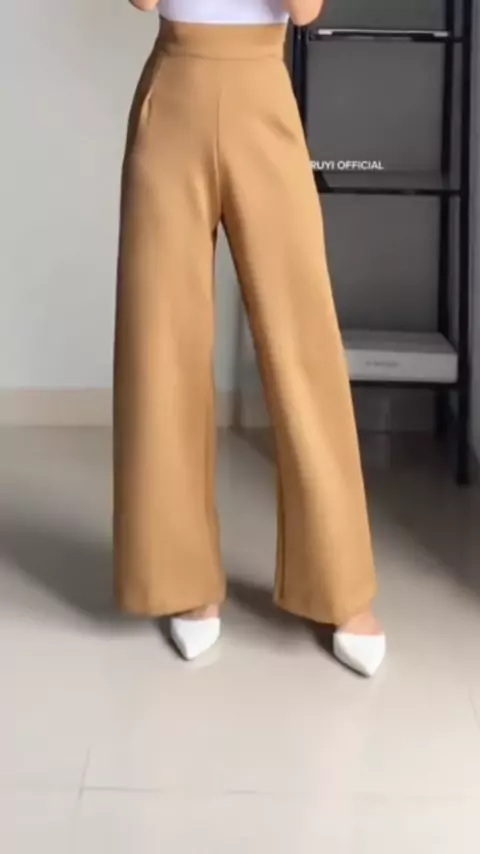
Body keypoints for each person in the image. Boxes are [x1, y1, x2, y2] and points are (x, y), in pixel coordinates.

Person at [114, 0, 386, 676]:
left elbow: (305, 10)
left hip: (264, 93)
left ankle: (342, 589)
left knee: (302, 342)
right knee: (161, 344)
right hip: (171, 92)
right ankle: (183, 582)